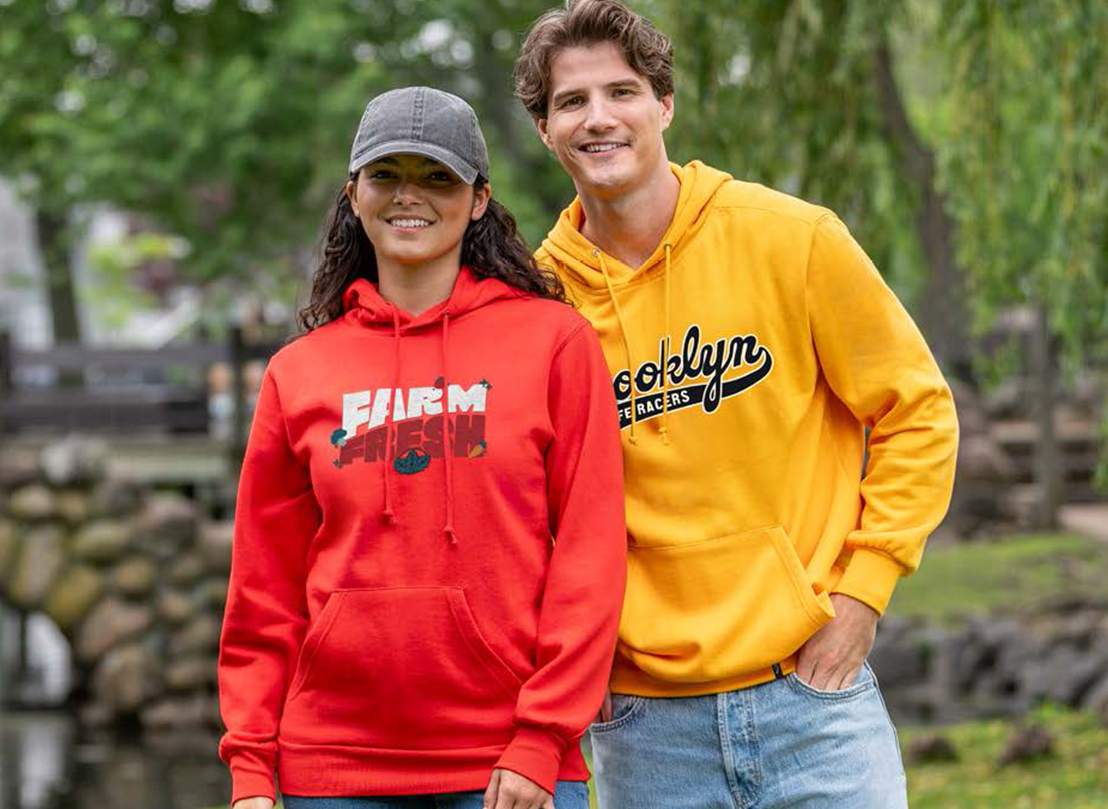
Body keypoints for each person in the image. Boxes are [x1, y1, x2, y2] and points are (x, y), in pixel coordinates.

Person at [512, 3, 961, 808]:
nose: (598, 117)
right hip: (642, 726)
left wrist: (861, 594)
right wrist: (578, 665)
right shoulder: (538, 303)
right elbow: (524, 504)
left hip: (813, 696)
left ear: (664, 104)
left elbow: (916, 412)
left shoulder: (791, 238)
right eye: (571, 101)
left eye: (621, 91)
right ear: (545, 130)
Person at [217, 86, 626, 809]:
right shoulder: (299, 371)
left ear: (478, 200)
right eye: (386, 174)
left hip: (509, 762)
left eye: (437, 176)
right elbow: (263, 587)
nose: (410, 195)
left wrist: (542, 736)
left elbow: (590, 553)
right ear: (354, 195)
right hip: (332, 767)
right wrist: (251, 767)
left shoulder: (553, 342)